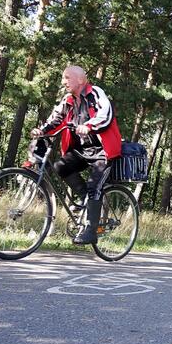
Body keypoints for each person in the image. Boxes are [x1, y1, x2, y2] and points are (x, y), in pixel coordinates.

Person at [31, 66, 121, 245]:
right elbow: (56, 118)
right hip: (82, 150)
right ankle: (83, 198)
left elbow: (106, 114)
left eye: (67, 78)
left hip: (102, 150)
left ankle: (91, 231)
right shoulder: (68, 100)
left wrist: (89, 125)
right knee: (60, 166)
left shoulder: (95, 93)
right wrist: (41, 131)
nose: (63, 82)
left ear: (80, 79)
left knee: (94, 186)